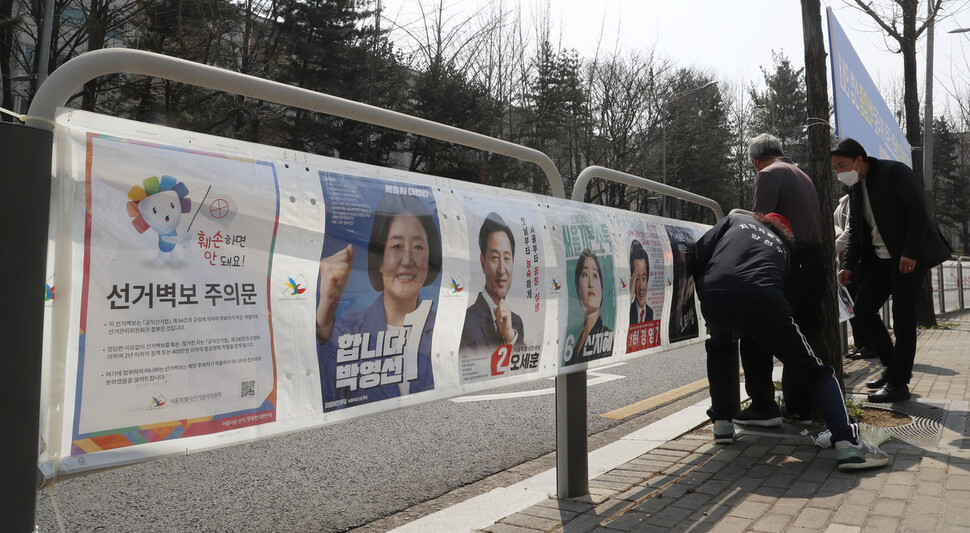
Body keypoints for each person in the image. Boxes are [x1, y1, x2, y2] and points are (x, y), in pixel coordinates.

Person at [690, 211, 887, 471]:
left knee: (719, 346)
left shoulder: (735, 219)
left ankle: (723, 424)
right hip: (764, 300)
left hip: (715, 292)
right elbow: (781, 298)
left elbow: (698, 252)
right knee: (816, 372)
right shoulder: (784, 249)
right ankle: (848, 446)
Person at [831, 138, 951, 403]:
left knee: (903, 318)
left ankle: (899, 384)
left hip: (908, 258)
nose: (839, 172)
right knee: (862, 309)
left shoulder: (893, 172)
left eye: (842, 165)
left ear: (859, 160)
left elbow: (917, 213)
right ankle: (891, 368)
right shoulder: (855, 189)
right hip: (879, 260)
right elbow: (856, 233)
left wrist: (910, 252)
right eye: (836, 168)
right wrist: (848, 265)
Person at [316, 192, 443, 410]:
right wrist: (325, 314)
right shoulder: (345, 331)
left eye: (418, 247)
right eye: (396, 246)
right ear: (380, 259)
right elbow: (321, 401)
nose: (407, 260)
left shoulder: (445, 327)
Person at [737, 133, 825, 425]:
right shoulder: (802, 175)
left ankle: (763, 406)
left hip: (791, 258)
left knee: (756, 331)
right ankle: (801, 407)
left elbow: (761, 224)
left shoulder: (768, 175)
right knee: (804, 335)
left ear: (755, 160)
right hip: (814, 260)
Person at [460, 212, 525, 357]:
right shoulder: (466, 320)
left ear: (513, 263)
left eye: (507, 258)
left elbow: (524, 365)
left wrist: (510, 337)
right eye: (495, 258)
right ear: (483, 263)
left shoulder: (516, 322)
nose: (502, 270)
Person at [835, 193, 876, 360]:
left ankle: (872, 345)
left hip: (860, 261)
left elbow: (851, 231)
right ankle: (861, 344)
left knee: (864, 305)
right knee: (851, 307)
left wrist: (833, 246)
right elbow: (837, 226)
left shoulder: (862, 199)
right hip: (845, 262)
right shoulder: (843, 203)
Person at [568, 249, 614, 363]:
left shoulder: (607, 337)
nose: (590, 284)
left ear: (602, 290)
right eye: (585, 275)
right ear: (578, 289)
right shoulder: (573, 336)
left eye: (594, 275)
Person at [629, 240, 654, 325]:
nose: (641, 287)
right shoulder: (628, 311)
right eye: (636, 279)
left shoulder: (650, 313)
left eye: (643, 278)